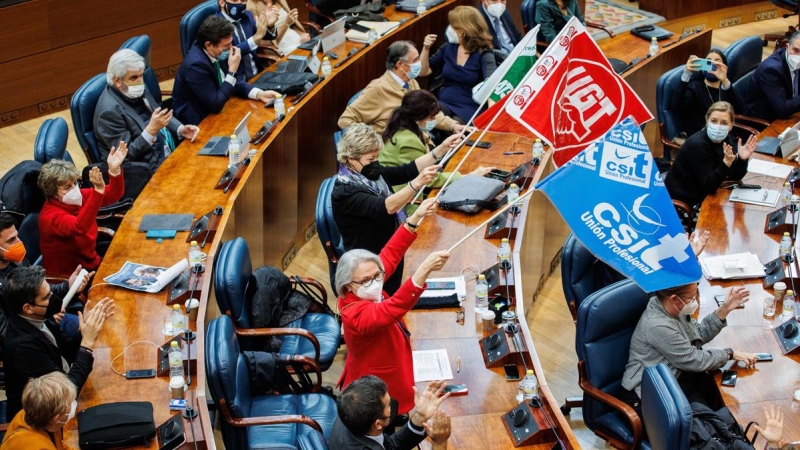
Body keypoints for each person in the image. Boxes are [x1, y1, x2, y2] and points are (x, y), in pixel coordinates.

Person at [334, 200, 450, 415]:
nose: (376, 281)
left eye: (378, 275)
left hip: (394, 358)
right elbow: (392, 309)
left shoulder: (363, 283)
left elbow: (388, 255)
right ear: (348, 284)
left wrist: (414, 220)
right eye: (367, 279)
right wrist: (423, 271)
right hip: (378, 381)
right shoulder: (354, 312)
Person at [331, 123, 442, 295]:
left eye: (377, 157)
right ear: (351, 159)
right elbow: (387, 207)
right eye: (371, 159)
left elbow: (405, 170)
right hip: (372, 265)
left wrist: (441, 149)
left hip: (390, 249)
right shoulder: (344, 193)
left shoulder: (369, 174)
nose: (376, 162)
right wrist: (416, 184)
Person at [3, 265, 115, 421]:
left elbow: (68, 351)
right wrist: (87, 344)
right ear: (28, 308)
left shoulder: (40, 317)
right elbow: (66, 392)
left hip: (63, 391)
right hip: (40, 420)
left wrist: (83, 332)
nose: (54, 299)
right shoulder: (24, 347)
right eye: (47, 297)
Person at [379, 90, 494, 211]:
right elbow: (428, 179)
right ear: (419, 117)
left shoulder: (403, 126)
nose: (434, 120)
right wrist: (467, 176)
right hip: (405, 202)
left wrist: (444, 147)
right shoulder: (408, 141)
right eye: (431, 117)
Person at [94, 49, 200, 171]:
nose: (140, 82)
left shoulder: (136, 87)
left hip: (170, 150)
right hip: (150, 169)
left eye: (141, 75)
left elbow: (158, 114)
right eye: (133, 77)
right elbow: (126, 157)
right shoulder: (108, 112)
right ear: (117, 81)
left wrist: (181, 130)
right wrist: (151, 130)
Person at [338, 41, 468, 135]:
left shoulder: (411, 82)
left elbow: (427, 112)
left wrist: (453, 125)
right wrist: (375, 139)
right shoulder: (377, 89)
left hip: (420, 142)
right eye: (415, 60)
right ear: (401, 65)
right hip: (396, 154)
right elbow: (345, 121)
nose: (419, 63)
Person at [38, 143, 127, 276]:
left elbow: (113, 194)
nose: (74, 189)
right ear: (52, 193)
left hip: (91, 262)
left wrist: (114, 171)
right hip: (71, 277)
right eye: (67, 187)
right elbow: (79, 227)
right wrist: (97, 191)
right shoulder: (49, 216)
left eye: (75, 183)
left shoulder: (78, 197)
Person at [0, 213, 89, 346]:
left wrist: (68, 286)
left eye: (17, 236)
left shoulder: (17, 260)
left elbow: (39, 290)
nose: (19, 242)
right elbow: (6, 334)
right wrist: (45, 319)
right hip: (32, 339)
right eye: (11, 240)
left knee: (94, 329)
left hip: (48, 318)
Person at [172, 16, 279, 126]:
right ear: (208, 45)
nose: (231, 48)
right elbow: (215, 104)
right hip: (197, 121)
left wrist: (259, 94)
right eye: (226, 45)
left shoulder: (215, 51)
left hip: (218, 106)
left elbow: (233, 82)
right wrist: (232, 70)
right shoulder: (196, 66)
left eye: (231, 43)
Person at [665, 101, 757, 210]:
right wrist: (726, 163)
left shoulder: (726, 139)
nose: (718, 126)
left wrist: (742, 159)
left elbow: (735, 176)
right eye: (714, 121)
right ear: (707, 121)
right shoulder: (698, 145)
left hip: (706, 194)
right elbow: (710, 187)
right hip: (684, 203)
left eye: (724, 123)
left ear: (731, 125)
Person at [419, 6, 497, 124]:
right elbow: (423, 72)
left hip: (470, 107)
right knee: (430, 117)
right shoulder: (448, 47)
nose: (449, 29)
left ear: (465, 29)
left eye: (454, 27)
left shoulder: (483, 52)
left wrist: (492, 116)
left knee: (455, 126)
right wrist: (426, 48)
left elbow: (492, 83)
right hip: (444, 101)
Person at [329, 375, 452, 450]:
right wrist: (440, 443)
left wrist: (420, 416)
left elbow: (391, 446)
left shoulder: (349, 410)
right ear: (378, 424)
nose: (392, 405)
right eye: (388, 405)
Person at [672, 50, 743, 141]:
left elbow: (739, 109)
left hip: (725, 136)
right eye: (708, 61)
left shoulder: (726, 88)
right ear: (702, 67)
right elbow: (677, 106)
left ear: (724, 68)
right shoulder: (694, 87)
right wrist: (686, 74)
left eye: (717, 61)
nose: (712, 65)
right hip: (701, 138)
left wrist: (725, 80)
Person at [0, 372, 78, 450]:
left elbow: (60, 446)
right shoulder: (39, 446)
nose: (73, 405)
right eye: (69, 403)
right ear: (56, 418)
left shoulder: (35, 415)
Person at [744, 30, 800, 122]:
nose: (798, 56)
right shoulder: (771, 70)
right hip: (764, 122)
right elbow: (782, 109)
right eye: (795, 50)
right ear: (787, 47)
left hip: (790, 113)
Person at [215, 0, 279, 79]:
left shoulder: (247, 15)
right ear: (222, 2)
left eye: (243, 0)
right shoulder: (215, 25)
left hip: (258, 74)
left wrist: (269, 26)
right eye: (235, 0)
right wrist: (255, 38)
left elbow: (264, 34)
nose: (240, 3)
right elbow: (224, 55)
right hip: (237, 82)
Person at [247, 0, 311, 55]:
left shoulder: (279, 1)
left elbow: (292, 25)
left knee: (315, 48)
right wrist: (286, 23)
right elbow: (265, 41)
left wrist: (301, 34)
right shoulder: (252, 5)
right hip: (277, 47)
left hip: (294, 37)